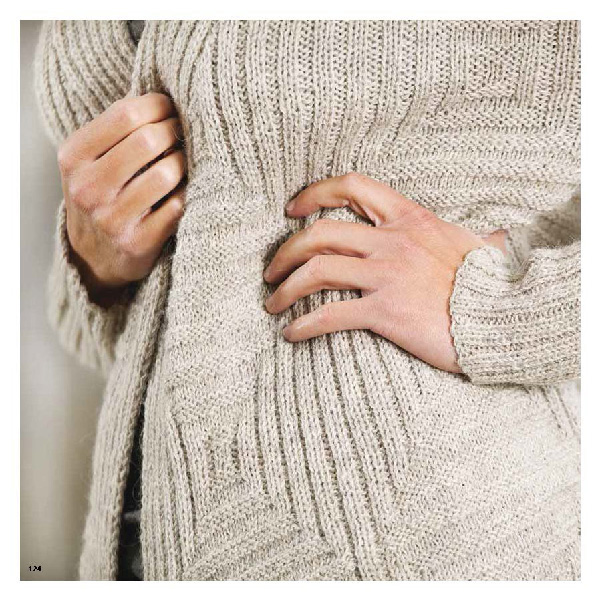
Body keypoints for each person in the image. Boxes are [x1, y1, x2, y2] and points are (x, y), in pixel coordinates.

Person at [34, 20, 581, 580]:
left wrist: (493, 308)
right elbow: (133, 320)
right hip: (143, 537)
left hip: (416, 533)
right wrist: (93, 264)